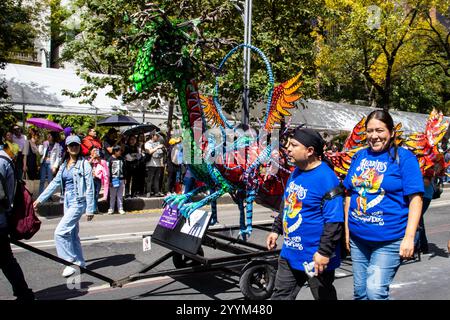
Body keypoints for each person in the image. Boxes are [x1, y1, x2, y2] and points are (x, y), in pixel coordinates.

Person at [343, 110, 423, 300]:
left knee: (375, 292)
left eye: (379, 130)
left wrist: (409, 238)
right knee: (361, 294)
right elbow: (349, 193)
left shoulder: (404, 158)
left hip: (389, 239)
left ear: (392, 132)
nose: (374, 136)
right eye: (369, 131)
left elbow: (416, 199)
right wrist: (347, 230)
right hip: (358, 239)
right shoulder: (359, 156)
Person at [266, 127, 344, 300]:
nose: (288, 148)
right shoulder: (296, 172)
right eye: (288, 144)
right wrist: (275, 229)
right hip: (290, 253)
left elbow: (335, 220)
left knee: (324, 297)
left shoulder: (326, 178)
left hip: (315, 256)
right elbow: (286, 204)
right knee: (280, 296)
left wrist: (324, 253)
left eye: (294, 145)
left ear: (309, 151)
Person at [33, 135, 95, 278]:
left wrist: (90, 208)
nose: (74, 147)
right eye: (71, 145)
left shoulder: (84, 164)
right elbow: (54, 183)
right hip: (66, 200)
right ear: (67, 148)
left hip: (78, 201)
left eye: (76, 145)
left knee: (60, 232)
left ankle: (69, 261)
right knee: (72, 234)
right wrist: (40, 199)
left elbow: (90, 187)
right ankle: (80, 262)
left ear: (80, 147)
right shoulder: (63, 165)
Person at [0, 134, 35, 300]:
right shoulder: (5, 160)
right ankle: (24, 293)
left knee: (6, 260)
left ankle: (24, 293)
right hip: (2, 218)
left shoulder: (0, 161)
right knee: (6, 260)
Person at [88, 147, 109, 213]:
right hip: (90, 179)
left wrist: (98, 158)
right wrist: (92, 158)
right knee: (91, 193)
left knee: (96, 194)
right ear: (90, 152)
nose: (95, 152)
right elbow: (87, 165)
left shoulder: (101, 161)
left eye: (96, 151)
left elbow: (105, 170)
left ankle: (95, 208)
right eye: (93, 151)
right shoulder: (88, 159)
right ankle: (92, 208)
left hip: (98, 179)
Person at [144, 132, 165, 197]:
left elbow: (162, 153)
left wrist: (162, 148)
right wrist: (157, 147)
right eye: (156, 136)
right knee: (150, 179)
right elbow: (149, 152)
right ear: (152, 136)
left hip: (158, 163)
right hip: (151, 163)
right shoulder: (148, 143)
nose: (158, 137)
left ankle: (157, 192)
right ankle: (148, 192)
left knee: (157, 179)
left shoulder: (158, 143)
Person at [108, 145, 126, 215]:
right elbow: (108, 171)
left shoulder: (122, 159)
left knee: (120, 195)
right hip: (114, 179)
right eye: (119, 151)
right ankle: (111, 208)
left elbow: (124, 169)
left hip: (121, 178)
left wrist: (125, 178)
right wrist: (110, 181)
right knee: (112, 195)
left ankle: (120, 208)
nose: (120, 152)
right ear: (115, 151)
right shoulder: (110, 159)